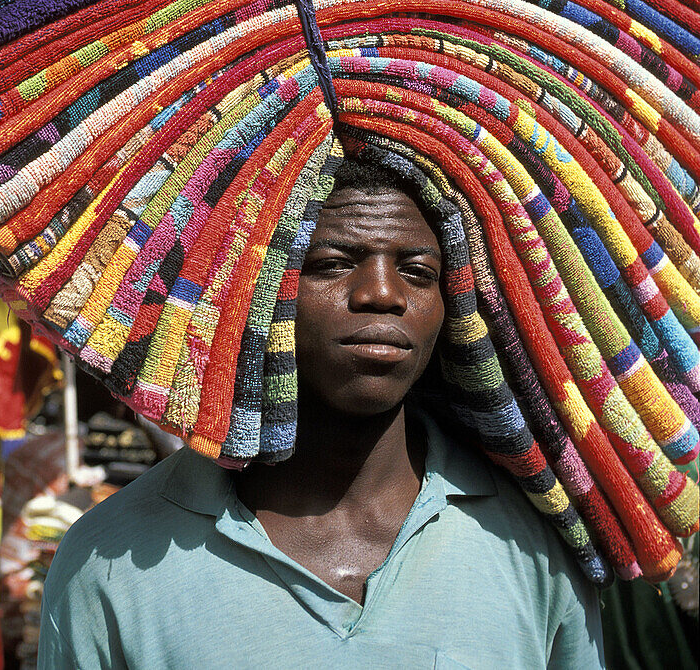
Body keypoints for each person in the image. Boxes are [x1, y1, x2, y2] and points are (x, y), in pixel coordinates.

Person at [37, 159, 606, 669]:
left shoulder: (535, 538)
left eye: (417, 272)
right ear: (253, 292)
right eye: (332, 264)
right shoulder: (111, 561)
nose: (382, 293)